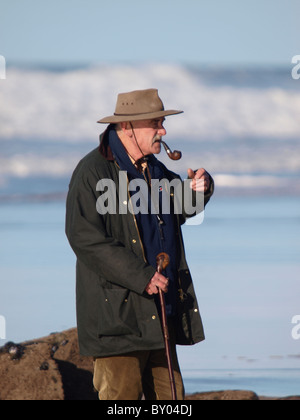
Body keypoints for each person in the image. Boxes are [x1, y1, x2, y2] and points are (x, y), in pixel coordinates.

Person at [65, 88, 214, 400]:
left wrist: (202, 187)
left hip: (160, 316)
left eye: (162, 122)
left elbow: (183, 205)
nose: (163, 130)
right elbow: (84, 237)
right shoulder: (92, 171)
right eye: (155, 123)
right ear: (126, 127)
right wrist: (141, 276)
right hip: (117, 322)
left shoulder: (154, 169)